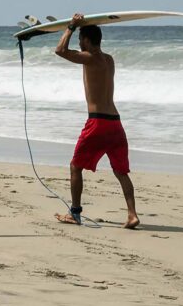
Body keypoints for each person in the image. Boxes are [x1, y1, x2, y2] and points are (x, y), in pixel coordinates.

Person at [54, 13, 139, 229]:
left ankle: (75, 213)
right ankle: (132, 214)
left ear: (88, 41)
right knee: (121, 172)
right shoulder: (108, 59)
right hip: (116, 123)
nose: (79, 43)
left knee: (75, 167)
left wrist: (71, 27)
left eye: (81, 39)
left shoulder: (89, 57)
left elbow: (60, 51)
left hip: (98, 123)